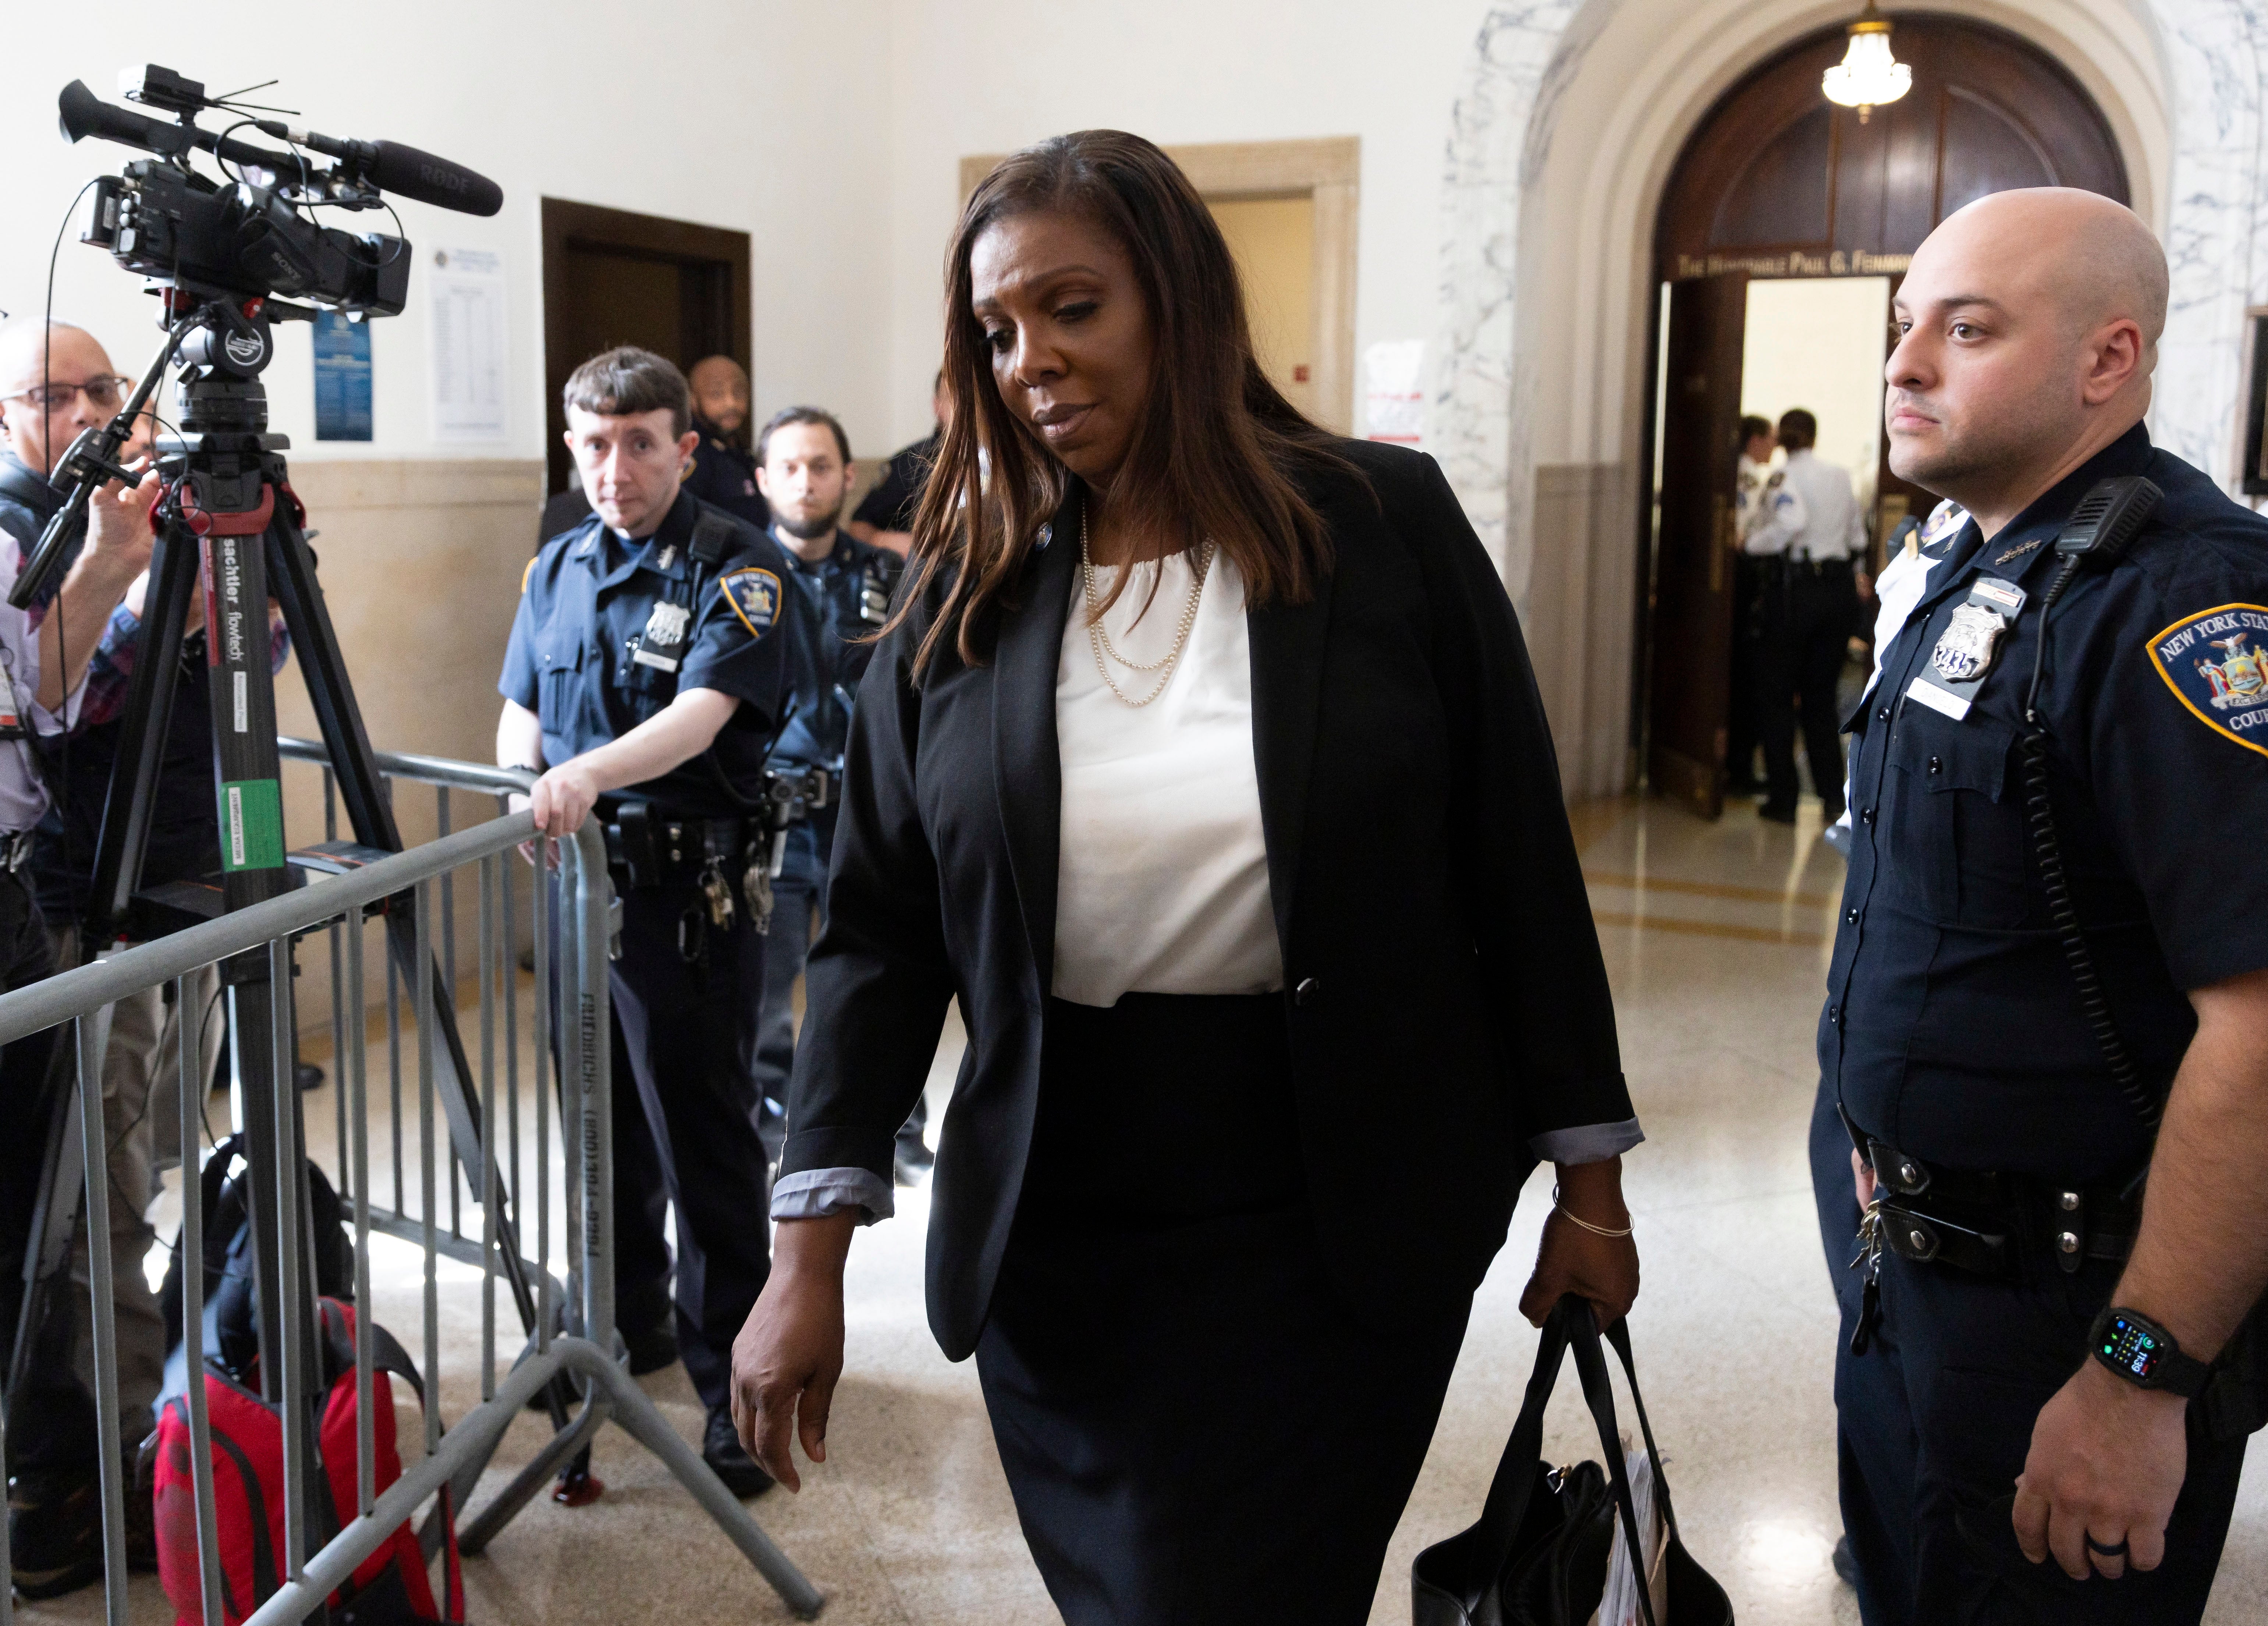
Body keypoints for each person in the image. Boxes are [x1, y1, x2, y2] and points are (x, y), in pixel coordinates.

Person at [730, 130, 1642, 1623]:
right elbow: (880, 938)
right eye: (997, 330)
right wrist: (805, 1252)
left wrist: (1587, 1189)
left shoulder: (1378, 528)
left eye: (1072, 307)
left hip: (1327, 1218)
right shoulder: (967, 586)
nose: (1031, 359)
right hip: (1059, 1221)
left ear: (1176, 297)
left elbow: (1513, 864)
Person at [1824, 187, 2268, 1625]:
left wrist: (2139, 1380)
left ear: (2104, 360)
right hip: (1922, 1271)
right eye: (1902, 327)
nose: (1901, 365)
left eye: (1965, 329)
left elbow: (2257, 1036)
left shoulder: (2179, 599)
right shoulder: (1979, 558)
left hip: (2073, 1307)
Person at [498, 346, 791, 1499]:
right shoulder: (557, 566)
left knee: (704, 1141)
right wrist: (520, 779)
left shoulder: (737, 564)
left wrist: (581, 781)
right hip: (581, 895)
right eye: (592, 446)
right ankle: (630, 1330)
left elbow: (707, 712)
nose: (613, 469)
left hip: (684, 899)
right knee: (602, 1131)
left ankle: (738, 1394)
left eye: (638, 444)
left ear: (685, 447)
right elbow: (520, 710)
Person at [0, 318, 164, 1595]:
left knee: (64, 1188)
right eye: (51, 395)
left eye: (99, 390)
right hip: (64, 881)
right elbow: (67, 705)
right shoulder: (15, 522)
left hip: (96, 885)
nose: (83, 413)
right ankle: (63, 1452)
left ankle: (83, 1452)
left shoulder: (108, 518)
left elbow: (46, 700)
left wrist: (125, 565)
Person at [740, 407, 927, 1180]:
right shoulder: (737, 580)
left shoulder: (888, 573)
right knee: (767, 988)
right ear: (761, 480)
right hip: (774, 819)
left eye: (820, 465)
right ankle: (774, 1123)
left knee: (882, 979)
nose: (805, 481)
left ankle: (897, 1130)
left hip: (867, 816)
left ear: (848, 477)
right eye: (788, 466)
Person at [1745, 407, 1867, 822]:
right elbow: (1857, 535)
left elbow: (1788, 524)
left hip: (1796, 592)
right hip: (1837, 591)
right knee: (1820, 698)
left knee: (1777, 694)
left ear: (1782, 438)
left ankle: (1785, 798)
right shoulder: (1839, 475)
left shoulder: (1783, 477)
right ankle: (1833, 797)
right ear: (1814, 436)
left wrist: (1749, 544)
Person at [1727, 412, 1778, 795]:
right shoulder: (1746, 477)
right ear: (1754, 441)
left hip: (1742, 574)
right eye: (1769, 439)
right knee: (1745, 675)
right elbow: (1742, 534)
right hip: (1741, 576)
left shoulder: (1744, 473)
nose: (1774, 447)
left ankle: (1739, 766)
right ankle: (1737, 769)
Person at [845, 370, 949, 557]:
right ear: (938, 406)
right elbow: (858, 530)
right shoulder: (913, 461)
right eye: (957, 397)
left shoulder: (1008, 461)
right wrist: (913, 546)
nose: (970, 408)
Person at [681, 354, 770, 530]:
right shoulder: (693, 455)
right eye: (717, 394)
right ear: (693, 400)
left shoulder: (739, 450)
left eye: (739, 393)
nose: (732, 404)